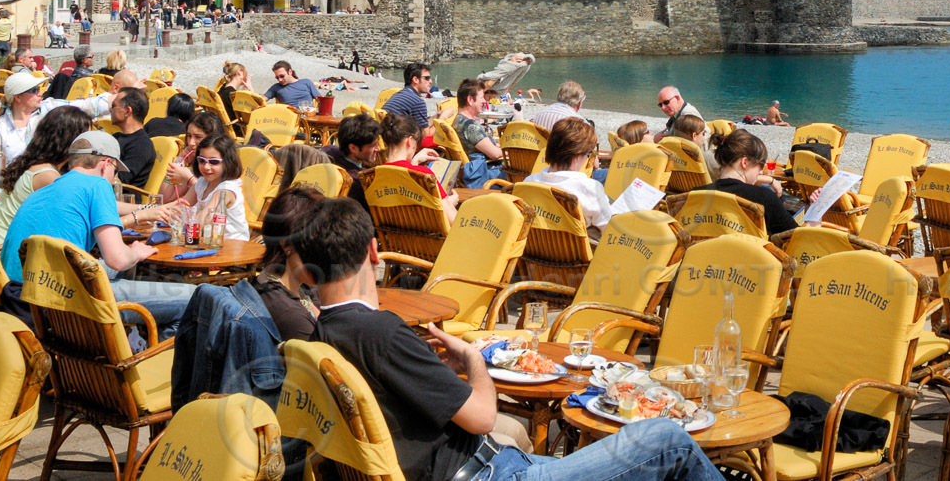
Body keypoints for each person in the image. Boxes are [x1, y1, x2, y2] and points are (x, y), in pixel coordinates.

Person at [295, 197, 720, 481]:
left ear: (310, 274)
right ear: (374, 251)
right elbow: (482, 418)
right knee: (667, 439)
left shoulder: (320, 336)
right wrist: (473, 359)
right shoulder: (382, 332)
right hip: (491, 475)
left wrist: (437, 373)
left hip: (481, 466)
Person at [0, 130, 192, 333]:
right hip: (63, 305)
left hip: (22, 297)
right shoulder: (98, 184)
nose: (114, 179)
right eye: (115, 172)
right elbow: (118, 259)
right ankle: (152, 350)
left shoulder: (48, 188)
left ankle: (128, 337)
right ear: (106, 164)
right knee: (191, 297)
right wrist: (135, 252)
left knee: (126, 270)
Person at [0, 106, 94, 251]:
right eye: (86, 139)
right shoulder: (47, 176)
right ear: (70, 140)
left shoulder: (31, 162)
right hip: (3, 251)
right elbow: (87, 207)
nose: (91, 144)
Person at [254, 185, 325, 340]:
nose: (326, 254)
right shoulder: (290, 315)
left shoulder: (299, 286)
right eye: (317, 245)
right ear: (287, 245)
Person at [523, 118, 612, 236]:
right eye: (588, 154)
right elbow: (610, 230)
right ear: (575, 158)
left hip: (535, 246)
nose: (587, 158)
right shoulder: (590, 188)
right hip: (577, 248)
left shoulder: (529, 183)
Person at [699, 129, 798, 236]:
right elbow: (797, 237)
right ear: (745, 162)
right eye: (761, 164)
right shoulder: (764, 198)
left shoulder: (695, 195)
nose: (761, 171)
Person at [372, 113, 455, 221]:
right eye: (417, 143)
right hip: (428, 230)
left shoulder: (374, 176)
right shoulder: (423, 175)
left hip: (393, 230)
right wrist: (450, 202)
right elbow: (452, 220)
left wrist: (413, 162)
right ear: (410, 141)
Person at [188, 133, 248, 241]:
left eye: (214, 162)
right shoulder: (202, 182)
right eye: (202, 160)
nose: (206, 167)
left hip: (234, 245)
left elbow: (205, 217)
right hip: (210, 241)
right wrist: (161, 213)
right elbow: (182, 204)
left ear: (228, 162)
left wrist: (184, 224)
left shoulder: (227, 188)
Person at [160, 110, 227, 206]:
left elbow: (212, 201)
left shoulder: (219, 167)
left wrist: (189, 179)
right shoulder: (193, 170)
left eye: (198, 137)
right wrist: (179, 161)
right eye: (189, 136)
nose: (191, 143)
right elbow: (164, 198)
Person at [452, 78, 504, 186]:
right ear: (470, 100)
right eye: (481, 97)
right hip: (488, 174)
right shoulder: (470, 127)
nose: (484, 101)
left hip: (471, 171)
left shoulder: (457, 120)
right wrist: (509, 150)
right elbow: (495, 154)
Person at [109, 86, 158, 190]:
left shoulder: (141, 145)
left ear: (127, 111)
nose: (110, 110)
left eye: (113, 106)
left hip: (122, 197)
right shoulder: (116, 137)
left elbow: (120, 179)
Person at [667, 112, 720, 181]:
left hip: (676, 186)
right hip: (703, 187)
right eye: (703, 134)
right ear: (694, 135)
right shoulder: (702, 157)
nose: (704, 138)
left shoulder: (668, 154)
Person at [381, 62, 433, 126]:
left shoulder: (398, 95)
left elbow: (422, 126)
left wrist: (437, 116)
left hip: (387, 130)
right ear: (415, 80)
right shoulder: (417, 102)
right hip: (397, 131)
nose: (430, 81)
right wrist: (442, 117)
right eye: (427, 78)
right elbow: (425, 131)